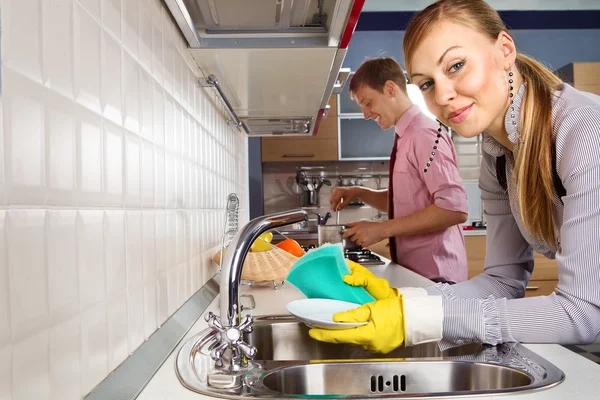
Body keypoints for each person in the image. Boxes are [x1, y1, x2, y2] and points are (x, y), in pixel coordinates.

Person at [310, 0, 600, 353]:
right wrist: (409, 302)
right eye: (427, 84)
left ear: (505, 50)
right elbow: (502, 280)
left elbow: (582, 313)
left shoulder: (584, 131)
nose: (444, 95)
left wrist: (424, 317)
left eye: (457, 66)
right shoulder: (496, 156)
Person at [330, 56, 469, 284]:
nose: (366, 114)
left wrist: (382, 229)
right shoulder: (405, 135)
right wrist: (360, 192)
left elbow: (453, 209)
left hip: (438, 280)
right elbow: (408, 204)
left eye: (368, 102)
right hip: (420, 277)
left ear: (390, 89)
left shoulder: (424, 134)